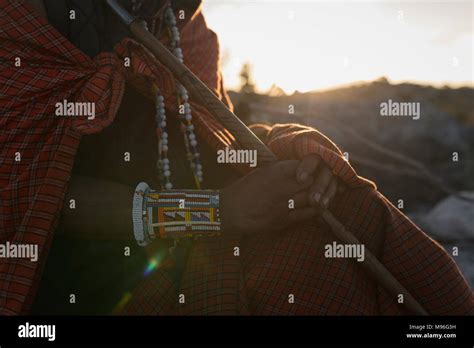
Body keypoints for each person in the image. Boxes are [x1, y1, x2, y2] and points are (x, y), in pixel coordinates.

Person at [0, 0, 472, 315]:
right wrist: (220, 212)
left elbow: (211, 134)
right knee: (305, 260)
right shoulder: (21, 22)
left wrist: (294, 151)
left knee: (350, 210)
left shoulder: (183, 23)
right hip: (94, 285)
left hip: (203, 239)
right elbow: (26, 191)